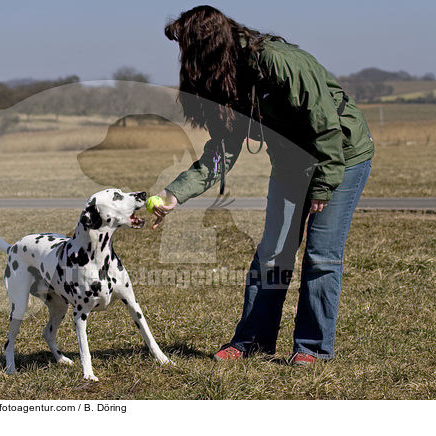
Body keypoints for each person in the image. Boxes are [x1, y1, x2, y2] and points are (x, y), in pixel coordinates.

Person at [152, 5, 374, 364]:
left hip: (340, 157)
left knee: (321, 256)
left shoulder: (278, 61)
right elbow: (221, 150)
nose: (184, 57)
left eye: (187, 46)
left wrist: (323, 184)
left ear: (209, 43)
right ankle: (252, 342)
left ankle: (313, 350)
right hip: (290, 163)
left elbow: (325, 124)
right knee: (272, 254)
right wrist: (174, 194)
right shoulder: (226, 79)